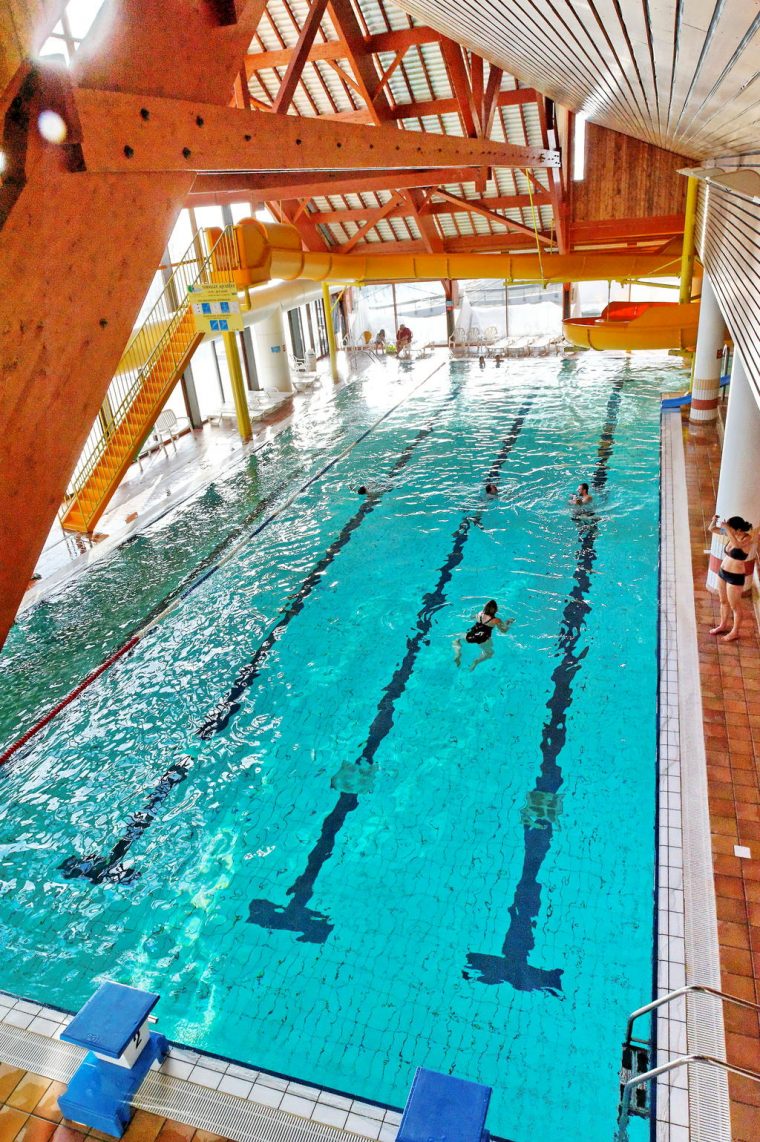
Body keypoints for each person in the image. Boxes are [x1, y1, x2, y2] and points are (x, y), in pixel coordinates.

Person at [708, 514, 757, 641]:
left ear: (739, 529)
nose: (729, 531)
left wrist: (727, 529)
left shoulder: (748, 538)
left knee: (735, 606)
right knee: (723, 601)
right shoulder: (732, 534)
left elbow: (737, 545)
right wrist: (714, 521)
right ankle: (723, 625)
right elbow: (711, 529)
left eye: (731, 529)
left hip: (735, 577)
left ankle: (735, 632)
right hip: (722, 573)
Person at [453, 600, 512, 671]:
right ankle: (476, 661)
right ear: (495, 610)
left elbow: (472, 617)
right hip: (484, 640)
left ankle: (457, 654)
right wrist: (508, 622)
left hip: (472, 635)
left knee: (456, 640)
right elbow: (503, 630)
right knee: (489, 653)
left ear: (485, 607)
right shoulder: (496, 620)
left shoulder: (479, 613)